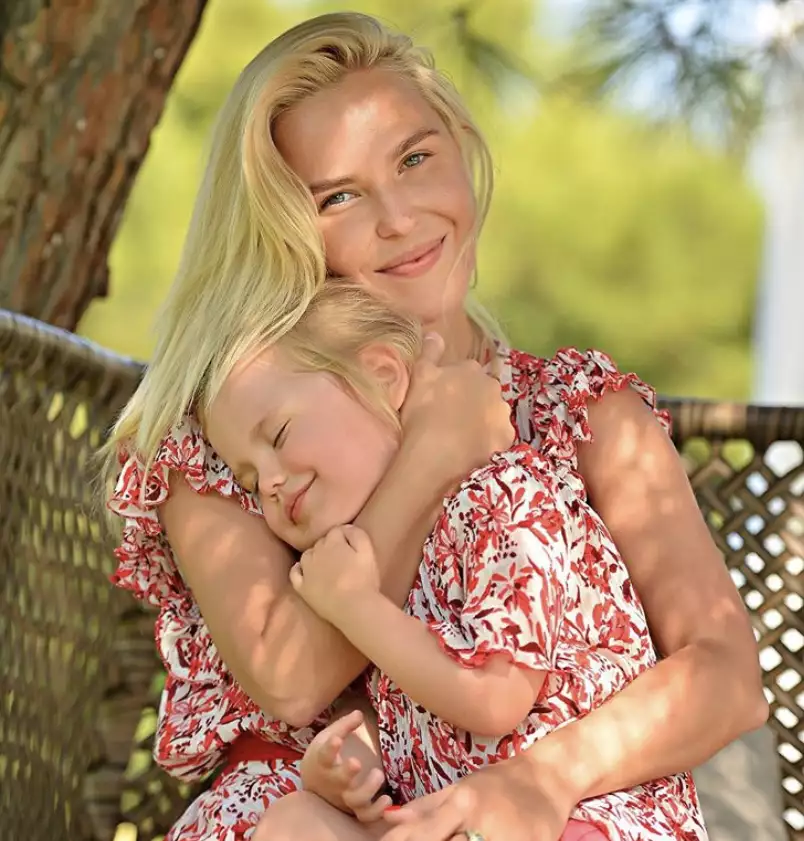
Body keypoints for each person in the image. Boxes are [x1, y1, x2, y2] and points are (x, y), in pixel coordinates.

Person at [104, 11, 766, 841]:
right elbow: (291, 678)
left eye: (415, 158)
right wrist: (436, 454)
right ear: (284, 231)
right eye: (339, 196)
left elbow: (726, 675)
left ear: (460, 148)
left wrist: (543, 777)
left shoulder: (582, 411)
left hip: (553, 807)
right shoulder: (237, 432)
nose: (398, 216)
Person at [200, 280, 709, 841]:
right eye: (250, 479)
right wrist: (347, 768)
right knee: (295, 823)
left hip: (585, 814)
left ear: (383, 376)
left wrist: (357, 609)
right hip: (456, 814)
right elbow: (413, 718)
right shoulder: (383, 549)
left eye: (279, 435)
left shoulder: (505, 497)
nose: (269, 483)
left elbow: (495, 699)